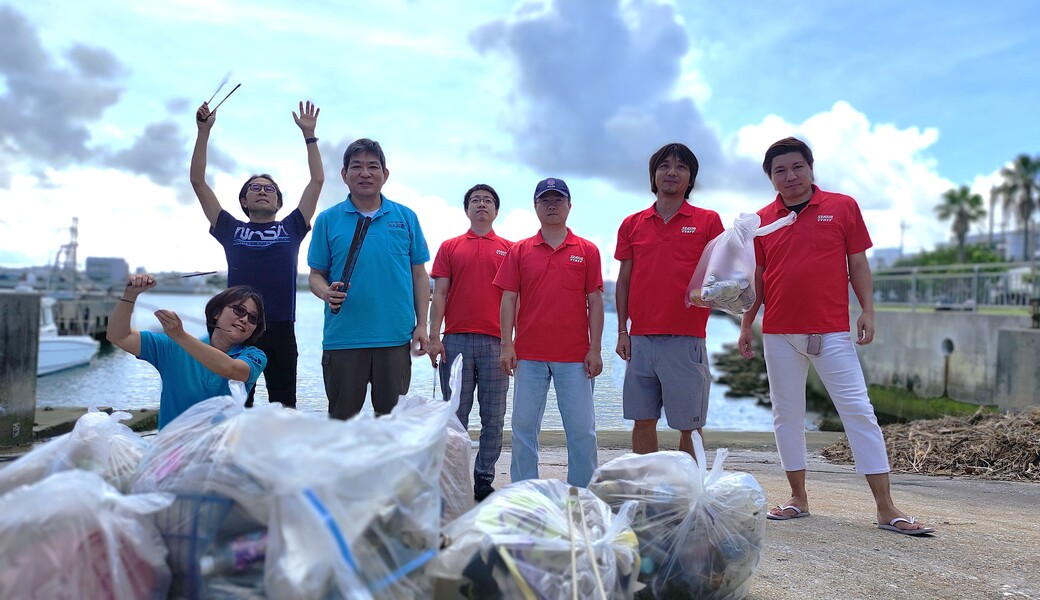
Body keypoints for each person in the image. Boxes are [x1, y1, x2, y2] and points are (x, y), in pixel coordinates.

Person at [738, 137, 935, 535]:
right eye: (780, 171)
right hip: (778, 332)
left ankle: (886, 508)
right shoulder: (761, 221)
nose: (790, 176)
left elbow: (857, 262)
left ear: (811, 168)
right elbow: (758, 277)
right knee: (786, 416)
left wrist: (868, 310)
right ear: (770, 178)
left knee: (859, 413)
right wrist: (747, 323)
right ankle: (798, 498)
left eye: (797, 167)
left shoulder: (842, 207)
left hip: (830, 330)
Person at [190, 100, 323, 409]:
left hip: (280, 327)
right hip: (236, 328)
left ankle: (279, 457)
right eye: (254, 188)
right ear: (244, 201)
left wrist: (309, 136)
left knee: (284, 406)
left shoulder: (291, 226)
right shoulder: (230, 228)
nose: (262, 190)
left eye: (269, 188)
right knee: (233, 405)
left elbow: (317, 181)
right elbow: (197, 182)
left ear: (278, 202)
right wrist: (203, 132)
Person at [614, 143, 725, 458]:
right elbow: (624, 281)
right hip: (641, 340)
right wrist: (622, 330)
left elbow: (720, 277)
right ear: (653, 175)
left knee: (689, 425)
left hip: (685, 339)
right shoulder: (632, 224)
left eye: (681, 167)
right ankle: (646, 489)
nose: (672, 172)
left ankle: (688, 493)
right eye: (664, 166)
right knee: (643, 420)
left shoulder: (708, 221)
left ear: (690, 178)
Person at [307, 138, 431, 419]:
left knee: (391, 422)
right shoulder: (328, 219)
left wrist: (422, 324)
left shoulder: (405, 217)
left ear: (385, 174)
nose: (365, 173)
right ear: (344, 175)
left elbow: (419, 275)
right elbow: (316, 276)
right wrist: (326, 292)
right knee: (342, 421)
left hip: (395, 337)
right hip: (344, 338)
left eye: (373, 166)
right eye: (357, 166)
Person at [495, 177, 604, 488]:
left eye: (558, 199)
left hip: (574, 357)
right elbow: (508, 298)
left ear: (569, 206)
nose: (552, 205)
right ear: (536, 206)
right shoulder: (519, 251)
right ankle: (524, 491)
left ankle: (582, 493)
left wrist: (595, 349)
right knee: (523, 427)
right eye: (545, 200)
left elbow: (595, 301)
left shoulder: (587, 250)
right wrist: (507, 345)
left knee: (582, 429)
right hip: (528, 355)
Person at [428, 184, 513, 501]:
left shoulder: (510, 249)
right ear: (466, 209)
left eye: (488, 200)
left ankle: (483, 478)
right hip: (456, 341)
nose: (482, 204)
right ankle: (453, 476)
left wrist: (512, 343)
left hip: (496, 343)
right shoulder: (450, 247)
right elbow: (440, 295)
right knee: (455, 416)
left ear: (495, 210)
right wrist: (434, 336)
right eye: (476, 200)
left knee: (494, 417)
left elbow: (514, 300)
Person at [107, 275, 268, 429]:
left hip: (219, 453)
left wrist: (180, 335)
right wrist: (130, 295)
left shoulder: (254, 356)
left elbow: (232, 369)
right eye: (239, 310)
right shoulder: (172, 347)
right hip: (171, 451)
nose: (245, 319)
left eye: (253, 318)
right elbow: (119, 336)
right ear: (217, 313)